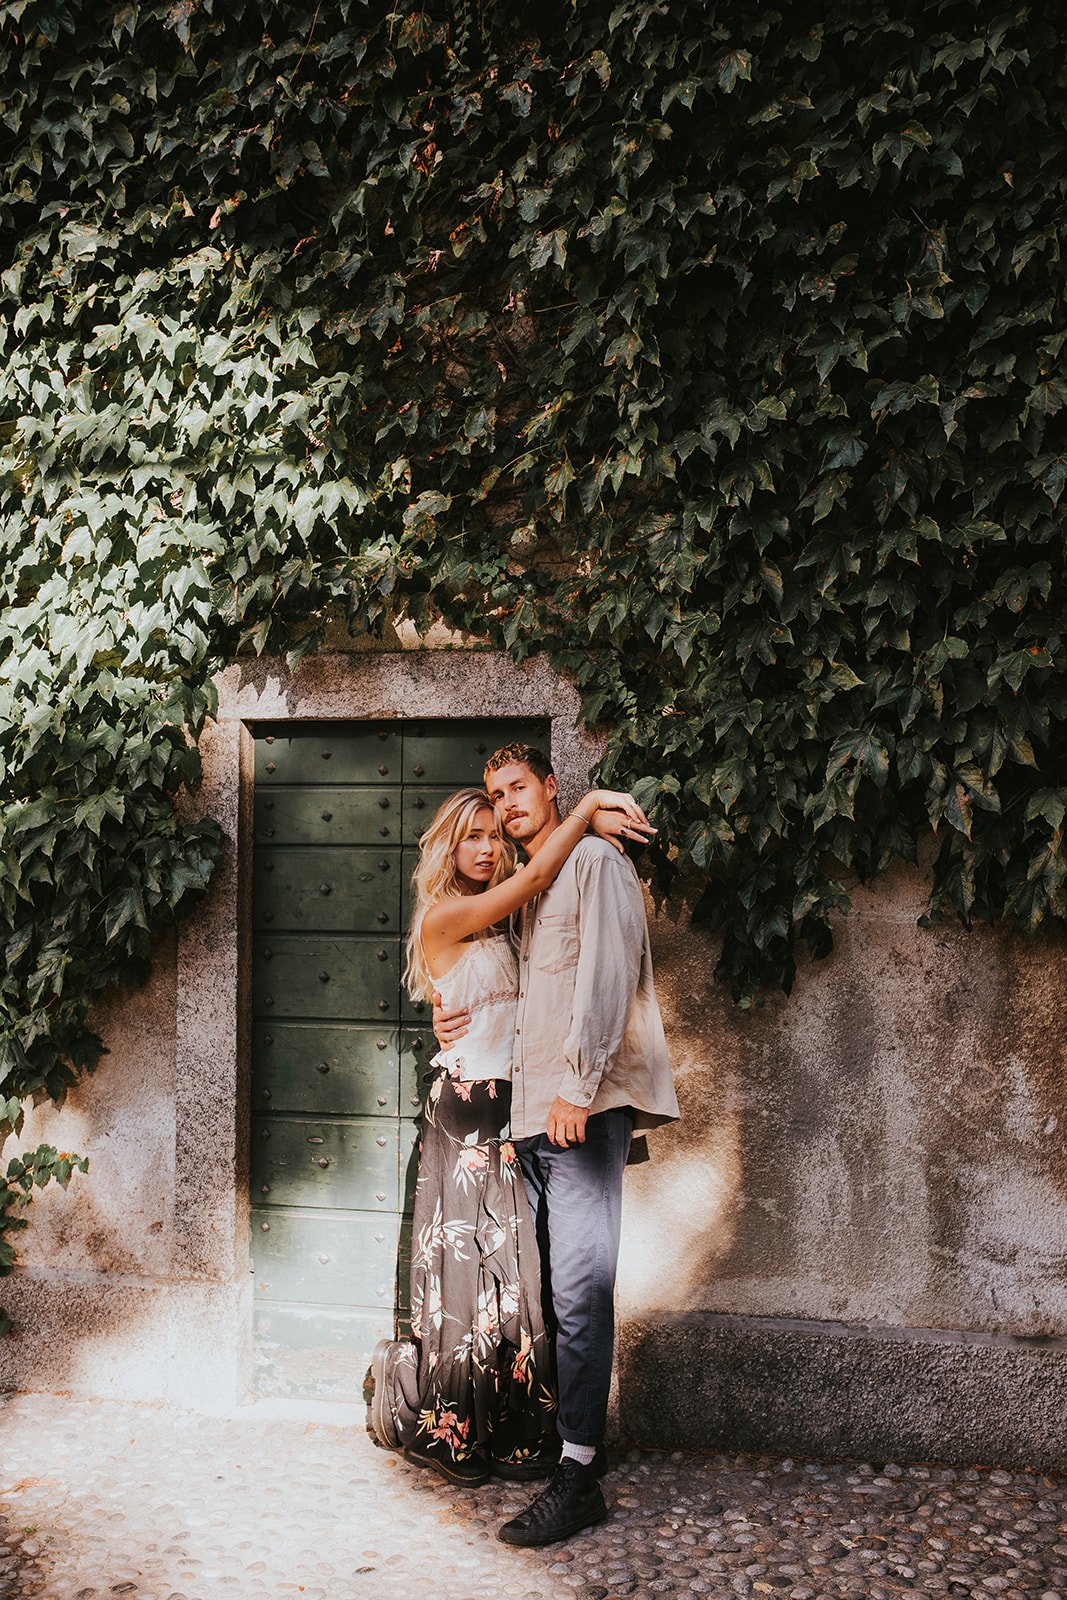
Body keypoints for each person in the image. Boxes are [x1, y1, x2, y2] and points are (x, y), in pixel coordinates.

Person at [369, 781, 654, 1488]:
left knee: (517, 1279)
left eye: (493, 834)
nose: (486, 847)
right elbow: (534, 874)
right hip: (467, 1116)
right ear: (446, 846)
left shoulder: (510, 925)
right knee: (468, 1276)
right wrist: (585, 809)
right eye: (471, 835)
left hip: (516, 1111)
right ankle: (455, 1427)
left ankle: (514, 1428)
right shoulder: (447, 915)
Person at [432, 744, 679, 1546]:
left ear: (551, 788)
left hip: (576, 1110)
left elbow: (608, 978)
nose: (506, 805)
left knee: (579, 1292)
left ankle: (577, 1481)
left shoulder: (596, 863)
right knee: (554, 1294)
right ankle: (575, 1447)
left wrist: (577, 1088)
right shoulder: (531, 890)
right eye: (495, 795)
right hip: (531, 1119)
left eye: (517, 789)